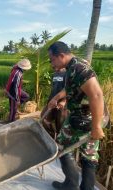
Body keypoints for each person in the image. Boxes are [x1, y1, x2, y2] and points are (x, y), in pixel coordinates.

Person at [47, 41, 109, 190]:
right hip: (81, 116)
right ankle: (80, 186)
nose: (51, 63)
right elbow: (72, 87)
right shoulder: (73, 66)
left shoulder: (79, 68)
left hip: (85, 119)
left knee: (62, 147)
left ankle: (71, 184)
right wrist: (57, 98)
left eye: (52, 59)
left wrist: (96, 127)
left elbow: (97, 95)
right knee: (88, 154)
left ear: (61, 56)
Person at [41, 67, 67, 139]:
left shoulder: (67, 74)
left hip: (61, 104)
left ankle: (58, 141)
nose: (53, 66)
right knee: (44, 118)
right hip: (52, 101)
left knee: (60, 124)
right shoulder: (55, 74)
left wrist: (64, 101)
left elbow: (69, 89)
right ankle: (52, 136)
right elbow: (54, 88)